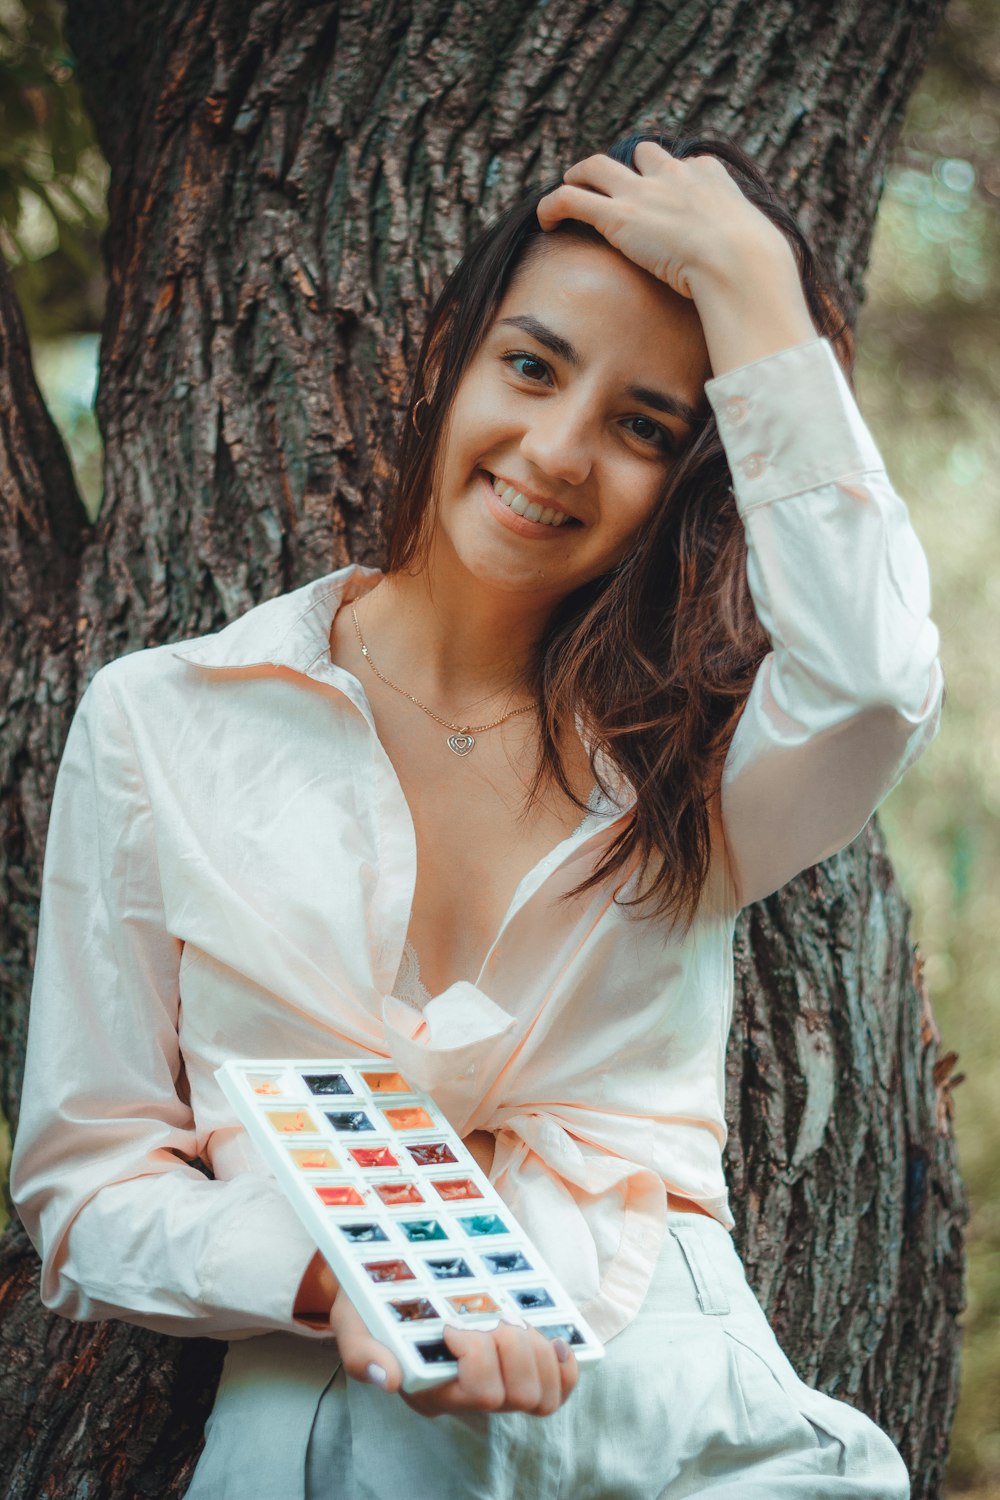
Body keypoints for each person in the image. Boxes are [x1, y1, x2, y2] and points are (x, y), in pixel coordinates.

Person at [10, 132, 942, 1498]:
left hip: (688, 1414)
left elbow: (871, 679)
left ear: (695, 478)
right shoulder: (164, 721)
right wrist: (342, 1276)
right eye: (532, 366)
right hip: (337, 1411)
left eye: (645, 428)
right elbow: (85, 1190)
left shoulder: (697, 759)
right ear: (449, 356)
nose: (558, 453)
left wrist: (755, 290)